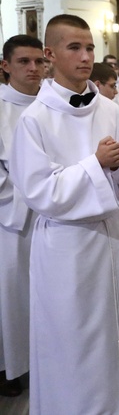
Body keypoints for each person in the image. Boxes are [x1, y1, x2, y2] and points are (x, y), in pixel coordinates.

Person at [10, 14, 119, 414]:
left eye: (90, 48)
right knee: (71, 341)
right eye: (75, 48)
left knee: (115, 333)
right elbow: (40, 190)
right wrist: (96, 164)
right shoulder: (35, 119)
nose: (86, 56)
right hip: (66, 246)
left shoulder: (109, 109)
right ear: (49, 54)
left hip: (113, 238)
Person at [0, 35, 44, 398]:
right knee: (12, 295)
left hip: (55, 216)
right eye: (24, 62)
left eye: (38, 62)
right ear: (6, 66)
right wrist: (35, 189)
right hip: (11, 220)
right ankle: (11, 367)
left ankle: (41, 360)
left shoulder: (52, 105)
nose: (33, 69)